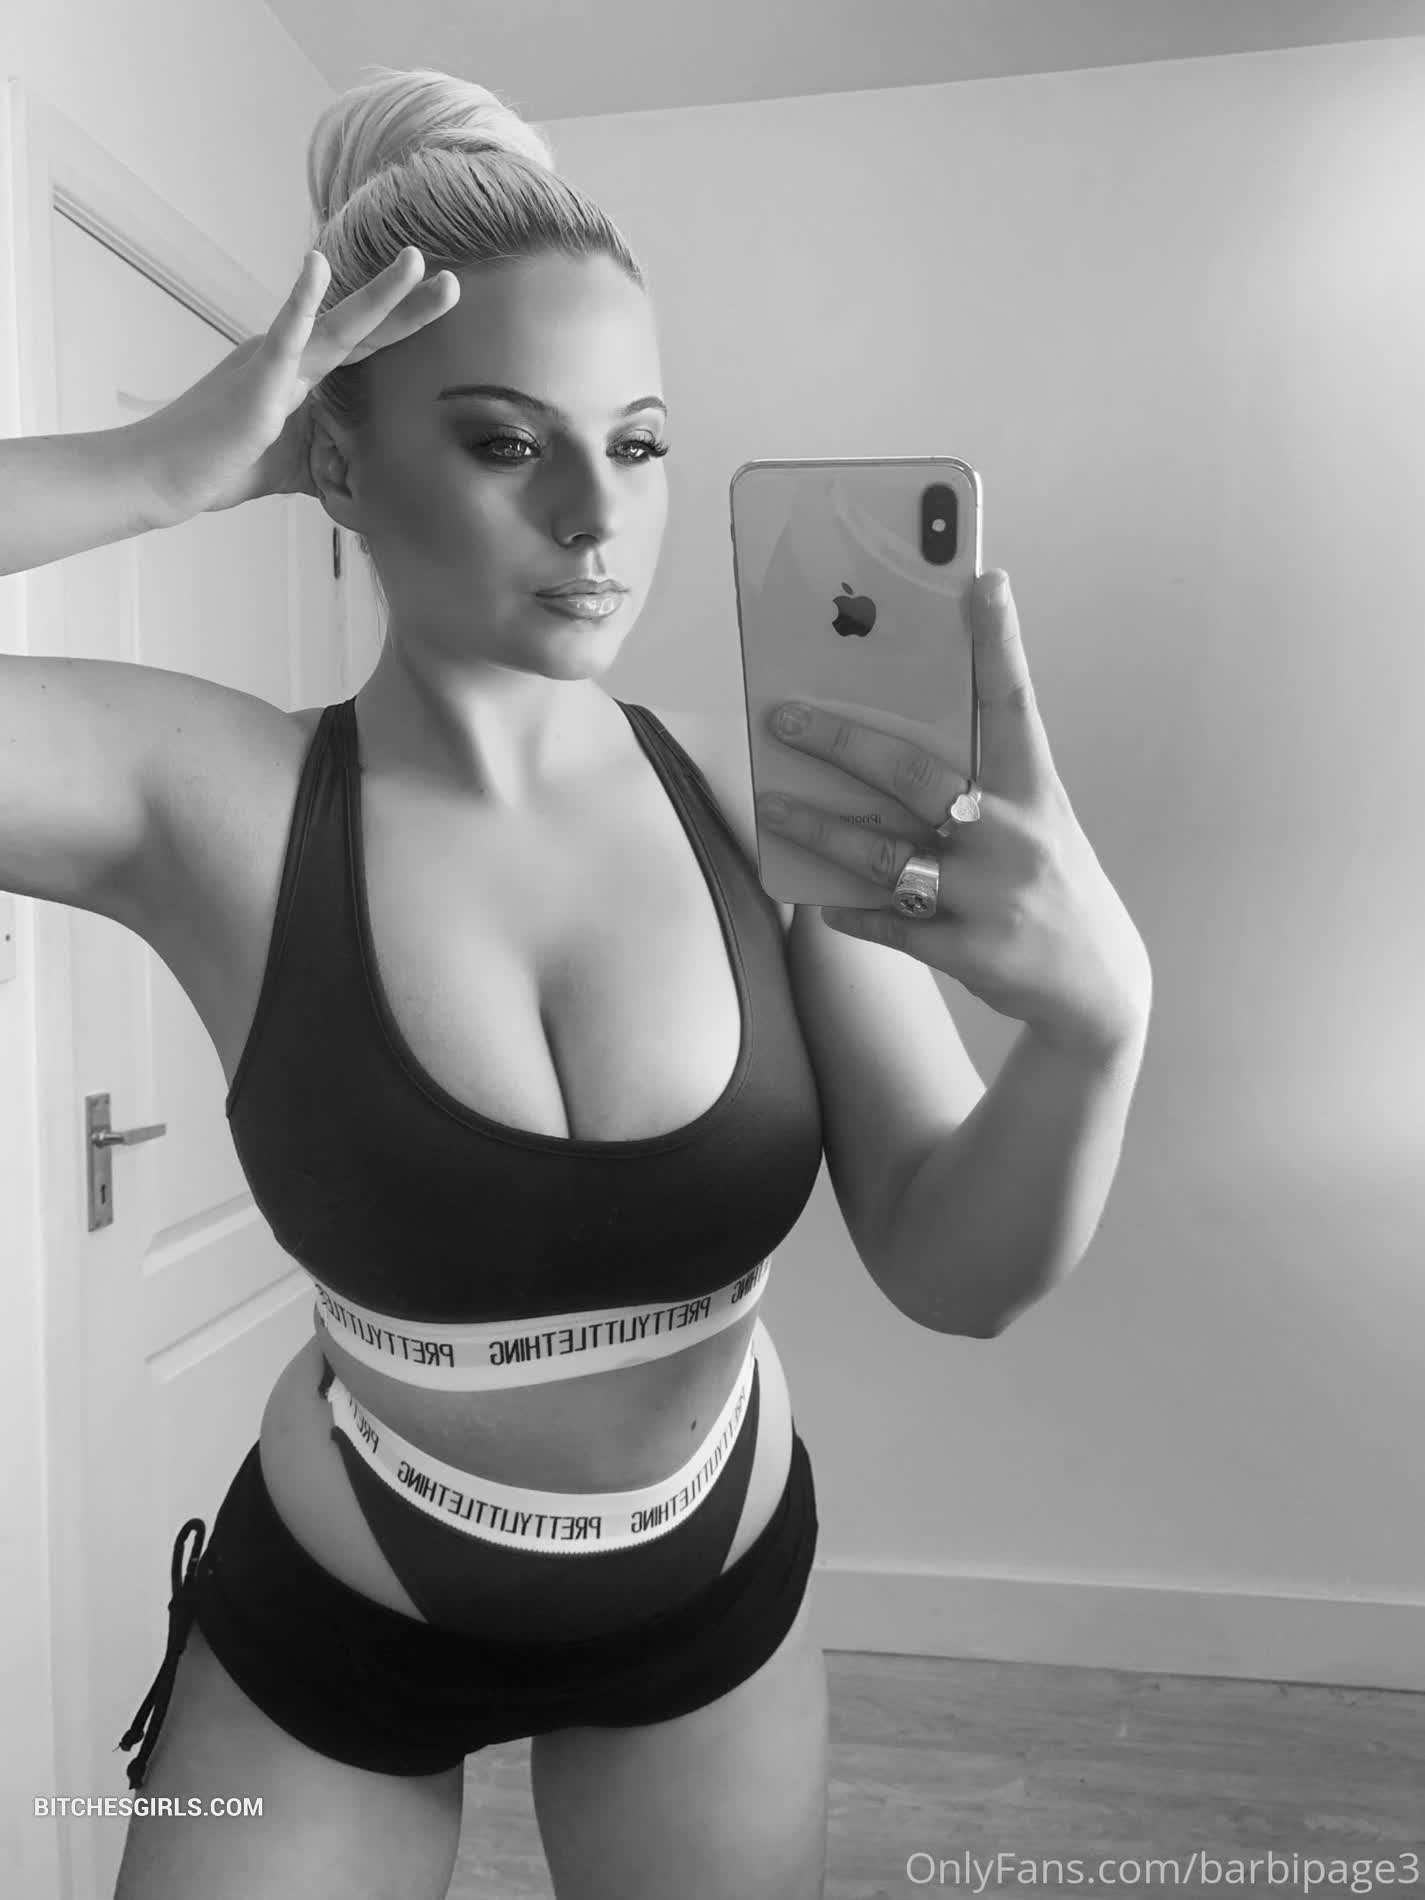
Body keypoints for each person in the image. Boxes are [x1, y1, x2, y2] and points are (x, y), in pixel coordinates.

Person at [2, 64, 833, 1900]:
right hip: (340, 1602)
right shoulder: (208, 794)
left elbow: (963, 1250)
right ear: (335, 462)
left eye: (637, 442)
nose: (594, 519)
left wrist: (1090, 1023)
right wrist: (159, 467)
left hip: (717, 1580)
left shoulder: (747, 792)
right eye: (503, 441)